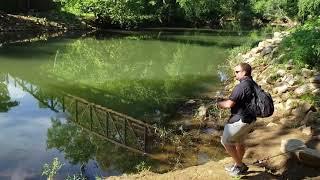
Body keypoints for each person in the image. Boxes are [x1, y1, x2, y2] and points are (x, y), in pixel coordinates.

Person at [217, 62, 256, 176]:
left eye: (237, 72)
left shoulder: (241, 87)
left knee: (225, 141)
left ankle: (239, 166)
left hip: (241, 120)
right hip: (251, 119)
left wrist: (219, 103)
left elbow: (229, 104)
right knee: (239, 142)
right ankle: (237, 164)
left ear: (244, 72)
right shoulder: (252, 83)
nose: (235, 74)